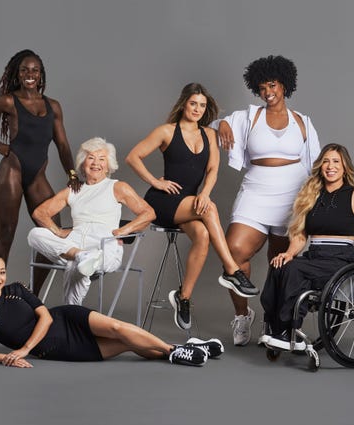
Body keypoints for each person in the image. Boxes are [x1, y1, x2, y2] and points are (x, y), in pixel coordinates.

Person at [125, 83, 258, 331]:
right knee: (209, 210)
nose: (197, 109)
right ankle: (231, 269)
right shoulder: (166, 131)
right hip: (163, 201)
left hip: (190, 202)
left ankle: (183, 297)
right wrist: (156, 181)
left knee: (203, 234)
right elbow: (133, 156)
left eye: (202, 105)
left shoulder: (209, 134)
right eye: (193, 103)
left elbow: (212, 169)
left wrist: (205, 193)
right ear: (184, 103)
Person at [0, 251, 224, 367]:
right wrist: (4, 358)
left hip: (66, 318)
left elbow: (44, 316)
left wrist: (23, 349)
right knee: (127, 344)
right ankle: (190, 348)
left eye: (1, 272)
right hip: (58, 348)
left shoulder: (17, 289)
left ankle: (174, 351)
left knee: (119, 328)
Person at [212, 55, 321, 345]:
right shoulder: (249, 117)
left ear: (284, 85)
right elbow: (208, 123)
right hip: (256, 192)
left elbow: (317, 166)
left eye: (272, 85)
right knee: (234, 252)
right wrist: (222, 122)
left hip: (292, 198)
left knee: (281, 265)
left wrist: (313, 207)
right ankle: (242, 315)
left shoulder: (303, 123)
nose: (267, 92)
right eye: (261, 88)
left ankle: (274, 322)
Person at [259, 144, 354, 350]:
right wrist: (288, 253)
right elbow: (299, 235)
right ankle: (273, 326)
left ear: (344, 167)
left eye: (336, 161)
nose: (330, 166)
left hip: (341, 260)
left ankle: (287, 330)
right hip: (315, 256)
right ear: (320, 166)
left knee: (295, 270)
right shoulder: (311, 195)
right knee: (279, 265)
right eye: (326, 161)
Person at [0, 49, 80, 294]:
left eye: (35, 70)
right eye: (25, 70)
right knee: (6, 233)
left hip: (37, 176)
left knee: (54, 238)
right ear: (18, 74)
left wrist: (72, 173)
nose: (30, 74)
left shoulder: (53, 107)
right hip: (13, 170)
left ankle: (30, 296)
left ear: (41, 75)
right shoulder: (9, 101)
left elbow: (62, 145)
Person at [27, 137, 154, 305]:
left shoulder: (117, 187)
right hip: (74, 244)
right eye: (91, 158)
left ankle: (72, 310)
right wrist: (58, 232)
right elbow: (40, 213)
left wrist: (123, 231)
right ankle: (81, 256)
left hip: (104, 245)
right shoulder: (73, 190)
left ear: (108, 165)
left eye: (102, 159)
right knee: (35, 234)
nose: (96, 163)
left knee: (77, 266)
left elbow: (148, 213)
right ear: (82, 163)